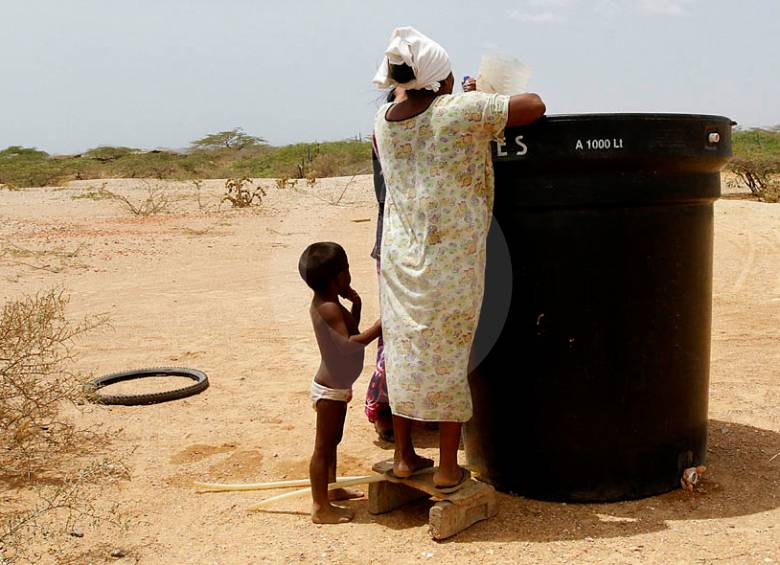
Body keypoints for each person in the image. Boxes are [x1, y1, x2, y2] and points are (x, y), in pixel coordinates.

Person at [372, 27, 546, 491]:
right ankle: (449, 464)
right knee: (449, 356)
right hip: (449, 260)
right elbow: (533, 105)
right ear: (438, 77)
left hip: (399, 256)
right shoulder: (458, 111)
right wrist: (480, 94)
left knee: (406, 352)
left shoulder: (383, 119)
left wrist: (466, 97)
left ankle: (406, 456)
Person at [298, 242, 382, 523]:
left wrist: (356, 305)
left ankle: (331, 489)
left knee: (334, 439)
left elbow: (349, 331)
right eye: (347, 271)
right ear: (337, 277)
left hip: (337, 387)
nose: (350, 276)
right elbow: (349, 345)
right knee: (323, 446)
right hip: (330, 391)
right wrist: (379, 328)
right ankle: (320, 506)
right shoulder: (329, 308)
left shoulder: (330, 304)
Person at [365, 86, 406, 442]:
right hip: (396, 241)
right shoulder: (391, 127)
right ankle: (385, 407)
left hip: (410, 242)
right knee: (395, 333)